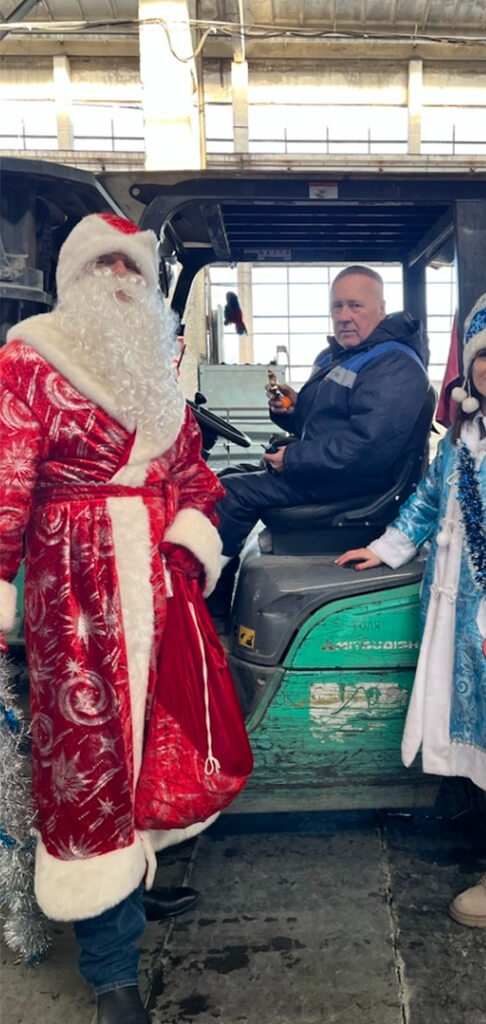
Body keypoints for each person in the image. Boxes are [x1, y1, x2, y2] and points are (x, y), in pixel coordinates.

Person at [0, 213, 226, 1023]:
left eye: (133, 267)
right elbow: (4, 485)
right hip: (77, 594)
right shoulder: (28, 362)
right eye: (104, 265)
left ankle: (135, 883)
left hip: (160, 593)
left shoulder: (156, 373)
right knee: (90, 766)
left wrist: (188, 543)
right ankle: (109, 964)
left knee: (155, 745)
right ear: (73, 277)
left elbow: (195, 475)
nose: (121, 280)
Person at [337, 286, 486, 928]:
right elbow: (426, 500)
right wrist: (385, 548)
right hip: (462, 621)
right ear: (469, 364)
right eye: (485, 354)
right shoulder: (461, 437)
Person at [216, 265, 431, 565]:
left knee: (228, 494)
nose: (344, 316)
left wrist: (293, 459)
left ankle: (206, 587)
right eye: (337, 307)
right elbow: (325, 423)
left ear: (381, 310)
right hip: (330, 472)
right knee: (220, 479)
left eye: (355, 306)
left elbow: (367, 448)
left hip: (356, 486)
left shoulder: (393, 364)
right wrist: (293, 409)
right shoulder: (338, 355)